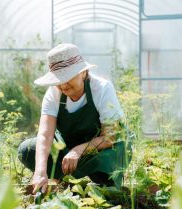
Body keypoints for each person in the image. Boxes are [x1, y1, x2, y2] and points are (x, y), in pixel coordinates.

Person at [18, 43, 130, 194]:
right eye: (58, 79)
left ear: (83, 73)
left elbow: (111, 136)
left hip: (101, 148)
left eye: (67, 77)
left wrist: (79, 150)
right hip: (67, 147)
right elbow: (45, 135)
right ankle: (56, 178)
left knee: (104, 171)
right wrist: (40, 171)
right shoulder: (53, 93)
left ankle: (76, 179)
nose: (63, 84)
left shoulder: (102, 89)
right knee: (27, 149)